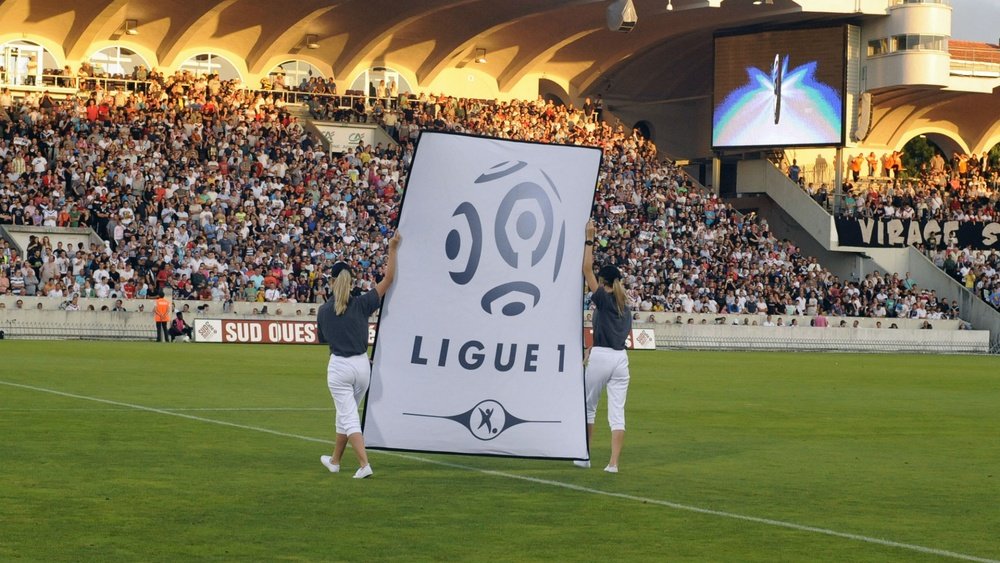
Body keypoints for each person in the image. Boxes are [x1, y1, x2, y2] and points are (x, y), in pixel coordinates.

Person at [317, 232, 400, 479]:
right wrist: (392, 248)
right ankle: (334, 460)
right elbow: (389, 278)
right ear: (352, 281)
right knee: (346, 414)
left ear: (332, 281)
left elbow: (324, 339)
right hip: (362, 366)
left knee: (349, 417)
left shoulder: (323, 310)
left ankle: (364, 464)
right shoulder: (362, 303)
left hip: (340, 366)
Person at [576, 221, 631, 474]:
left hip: (602, 356)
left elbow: (585, 268)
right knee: (617, 414)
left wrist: (590, 238)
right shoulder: (625, 306)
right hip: (621, 359)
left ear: (604, 282)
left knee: (588, 407)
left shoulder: (605, 298)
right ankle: (613, 463)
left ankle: (585, 456)